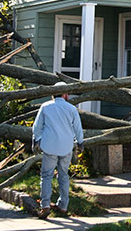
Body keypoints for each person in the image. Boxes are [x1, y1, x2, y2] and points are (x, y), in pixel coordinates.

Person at [32, 81, 84, 219]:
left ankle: (45, 205)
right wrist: (80, 142)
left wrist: (36, 140)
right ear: (65, 94)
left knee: (46, 175)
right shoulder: (71, 109)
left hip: (50, 146)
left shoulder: (46, 107)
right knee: (63, 175)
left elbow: (37, 126)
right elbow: (78, 128)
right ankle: (63, 205)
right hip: (66, 146)